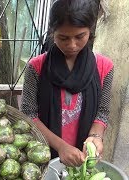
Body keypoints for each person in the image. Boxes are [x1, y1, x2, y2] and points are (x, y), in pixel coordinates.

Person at [21, 0, 113, 167]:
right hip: (42, 154)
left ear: (90, 31)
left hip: (83, 157)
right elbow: (28, 115)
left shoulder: (104, 68)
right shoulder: (36, 68)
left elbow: (102, 112)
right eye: (63, 38)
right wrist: (61, 146)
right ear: (52, 32)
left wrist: (96, 137)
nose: (72, 45)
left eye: (80, 36)